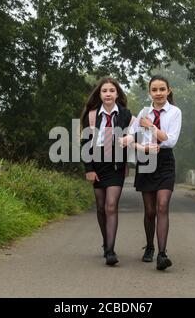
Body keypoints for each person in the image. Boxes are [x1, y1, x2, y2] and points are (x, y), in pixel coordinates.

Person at [127, 75, 182, 270]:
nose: (158, 93)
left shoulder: (175, 112)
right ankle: (149, 247)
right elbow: (129, 138)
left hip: (165, 162)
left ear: (169, 90)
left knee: (162, 207)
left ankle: (162, 254)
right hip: (146, 161)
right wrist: (141, 148)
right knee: (150, 211)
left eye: (162, 89)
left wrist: (150, 126)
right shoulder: (143, 112)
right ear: (149, 92)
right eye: (154, 90)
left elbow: (170, 141)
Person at [80, 77, 133, 266]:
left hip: (116, 165)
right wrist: (89, 169)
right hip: (97, 163)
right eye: (104, 91)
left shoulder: (126, 114)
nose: (108, 94)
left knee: (111, 206)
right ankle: (105, 242)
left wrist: (130, 139)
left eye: (112, 90)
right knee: (101, 207)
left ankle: (110, 251)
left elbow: (136, 132)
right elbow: (85, 143)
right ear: (100, 94)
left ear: (117, 94)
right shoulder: (93, 115)